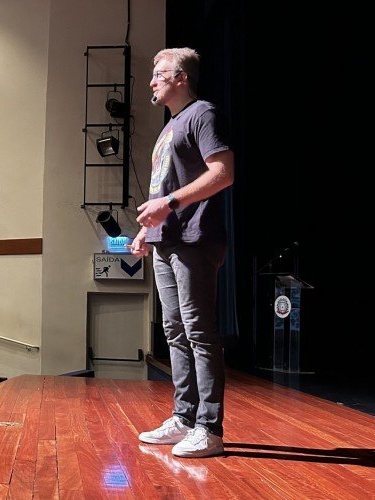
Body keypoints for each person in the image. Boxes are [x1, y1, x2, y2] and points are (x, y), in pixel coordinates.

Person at [132, 48, 235, 459]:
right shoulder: (168, 128)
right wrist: (145, 229)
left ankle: (209, 428)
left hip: (194, 239)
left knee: (199, 333)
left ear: (181, 78)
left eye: (159, 74)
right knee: (174, 332)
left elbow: (223, 173)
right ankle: (184, 418)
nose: (151, 81)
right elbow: (161, 187)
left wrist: (170, 206)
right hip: (166, 241)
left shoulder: (202, 114)